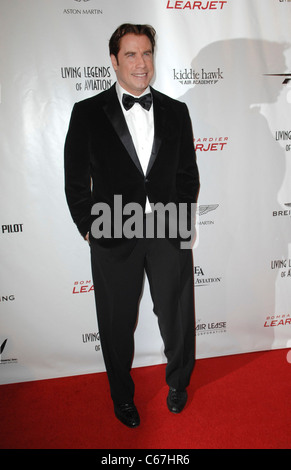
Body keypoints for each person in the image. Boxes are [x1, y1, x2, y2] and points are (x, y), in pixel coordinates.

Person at [64, 24, 200, 428]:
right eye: (131, 55)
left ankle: (178, 382)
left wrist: (177, 218)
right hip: (111, 232)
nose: (141, 64)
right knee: (115, 321)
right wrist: (90, 227)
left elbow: (188, 175)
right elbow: (75, 182)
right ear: (114, 60)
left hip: (167, 230)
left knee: (176, 315)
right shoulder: (87, 112)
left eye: (147, 54)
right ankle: (122, 396)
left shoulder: (177, 111)